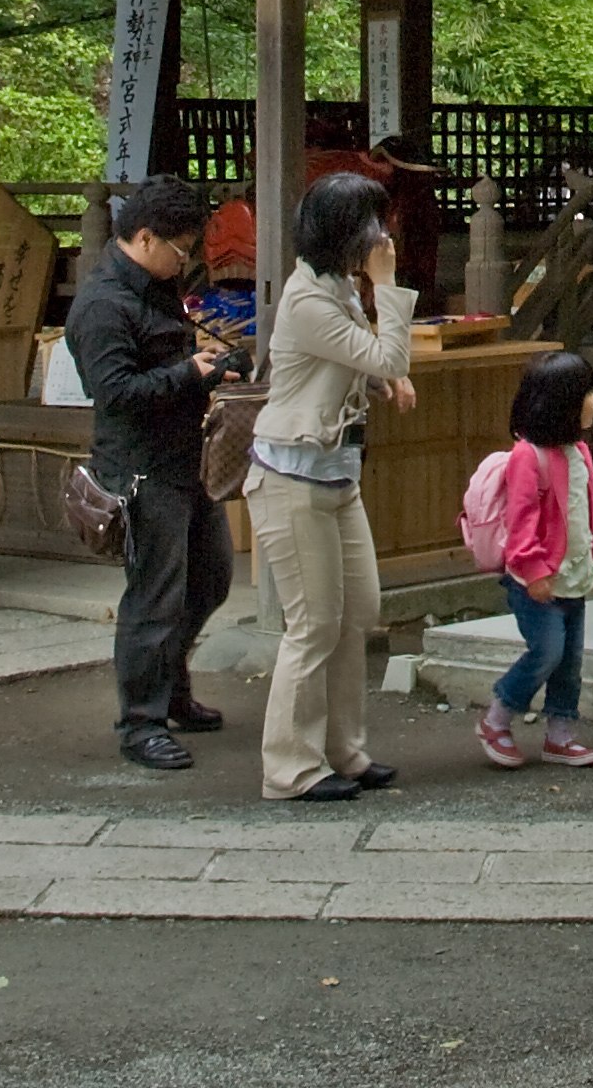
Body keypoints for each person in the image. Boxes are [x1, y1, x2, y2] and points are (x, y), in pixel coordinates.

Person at [249, 171, 418, 802]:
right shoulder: (307, 299)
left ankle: (342, 750)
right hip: (291, 476)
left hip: (335, 474)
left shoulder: (336, 287)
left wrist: (379, 385)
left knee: (357, 614)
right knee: (315, 624)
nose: (382, 237)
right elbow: (386, 354)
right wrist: (389, 287)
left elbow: (356, 365)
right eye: (370, 225)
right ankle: (290, 769)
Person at [69, 177, 246, 771]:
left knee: (211, 579)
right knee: (153, 598)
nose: (187, 260)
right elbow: (113, 394)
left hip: (186, 460)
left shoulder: (154, 288)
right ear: (145, 238)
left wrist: (209, 372)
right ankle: (139, 722)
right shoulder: (101, 305)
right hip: (141, 469)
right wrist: (190, 375)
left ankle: (171, 688)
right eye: (180, 248)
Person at [475, 348, 593, 770]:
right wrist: (532, 569)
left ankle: (561, 734)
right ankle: (497, 718)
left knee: (570, 660)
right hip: (535, 580)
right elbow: (521, 521)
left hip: (572, 576)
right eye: (585, 394)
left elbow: (590, 511)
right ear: (560, 405)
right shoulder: (527, 457)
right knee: (547, 652)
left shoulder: (580, 452)